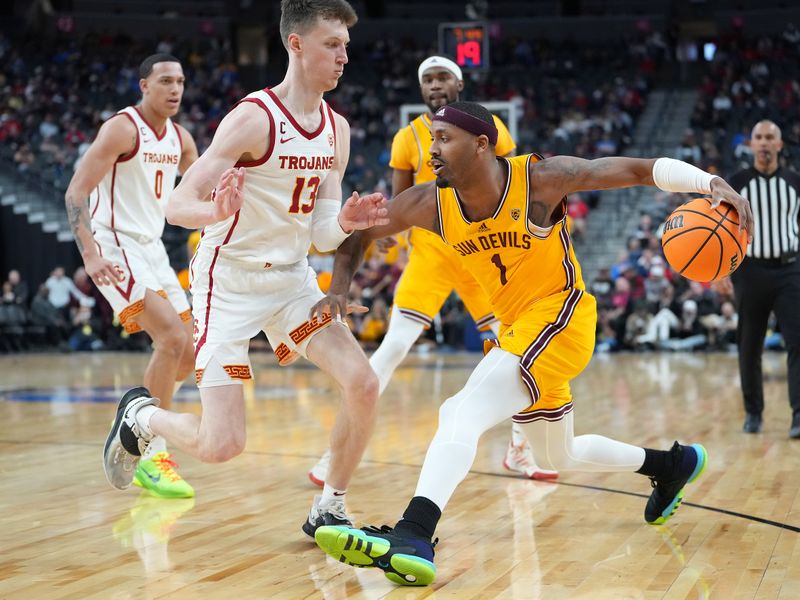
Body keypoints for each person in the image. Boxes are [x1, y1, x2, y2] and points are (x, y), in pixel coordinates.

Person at [310, 101, 754, 586]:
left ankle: (413, 534)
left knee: (461, 412)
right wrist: (337, 288)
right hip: (519, 328)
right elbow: (358, 236)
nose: (430, 150)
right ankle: (672, 464)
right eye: (430, 138)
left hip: (561, 317)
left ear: (481, 144)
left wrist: (711, 184)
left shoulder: (540, 179)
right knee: (554, 456)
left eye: (442, 139)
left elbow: (636, 169)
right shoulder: (428, 203)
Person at [102, 0, 388, 537]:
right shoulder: (254, 117)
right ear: (296, 44)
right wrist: (214, 211)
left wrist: (346, 221)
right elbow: (176, 205)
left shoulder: (337, 130)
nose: (344, 56)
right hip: (227, 283)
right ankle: (141, 417)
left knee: (364, 383)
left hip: (291, 282)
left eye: (346, 46)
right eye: (332, 44)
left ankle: (330, 508)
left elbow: (323, 232)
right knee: (222, 445)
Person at [307, 56, 557, 487]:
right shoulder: (408, 138)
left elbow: (515, 180)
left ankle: (520, 449)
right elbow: (399, 198)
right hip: (432, 254)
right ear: (421, 89)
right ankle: (335, 454)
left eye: (443, 77)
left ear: (460, 83)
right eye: (428, 79)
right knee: (392, 348)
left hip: (485, 255)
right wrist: (387, 233)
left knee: (519, 354)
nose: (435, 84)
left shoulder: (490, 125)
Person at [65, 53, 199, 498]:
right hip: (113, 243)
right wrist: (89, 254)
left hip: (152, 246)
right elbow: (76, 191)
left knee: (188, 350)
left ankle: (134, 419)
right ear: (144, 85)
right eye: (165, 81)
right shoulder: (122, 128)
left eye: (179, 81)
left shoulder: (181, 138)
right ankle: (150, 449)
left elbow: (203, 186)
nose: (175, 89)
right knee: (171, 340)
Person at [727, 120, 800, 437]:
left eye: (770, 137)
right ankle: (753, 413)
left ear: (779, 145)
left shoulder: (795, 182)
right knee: (749, 344)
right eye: (759, 137)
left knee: (797, 343)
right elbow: (722, 231)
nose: (765, 143)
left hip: (790, 269)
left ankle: (799, 415)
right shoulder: (737, 182)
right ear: (751, 144)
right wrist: (721, 271)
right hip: (750, 270)